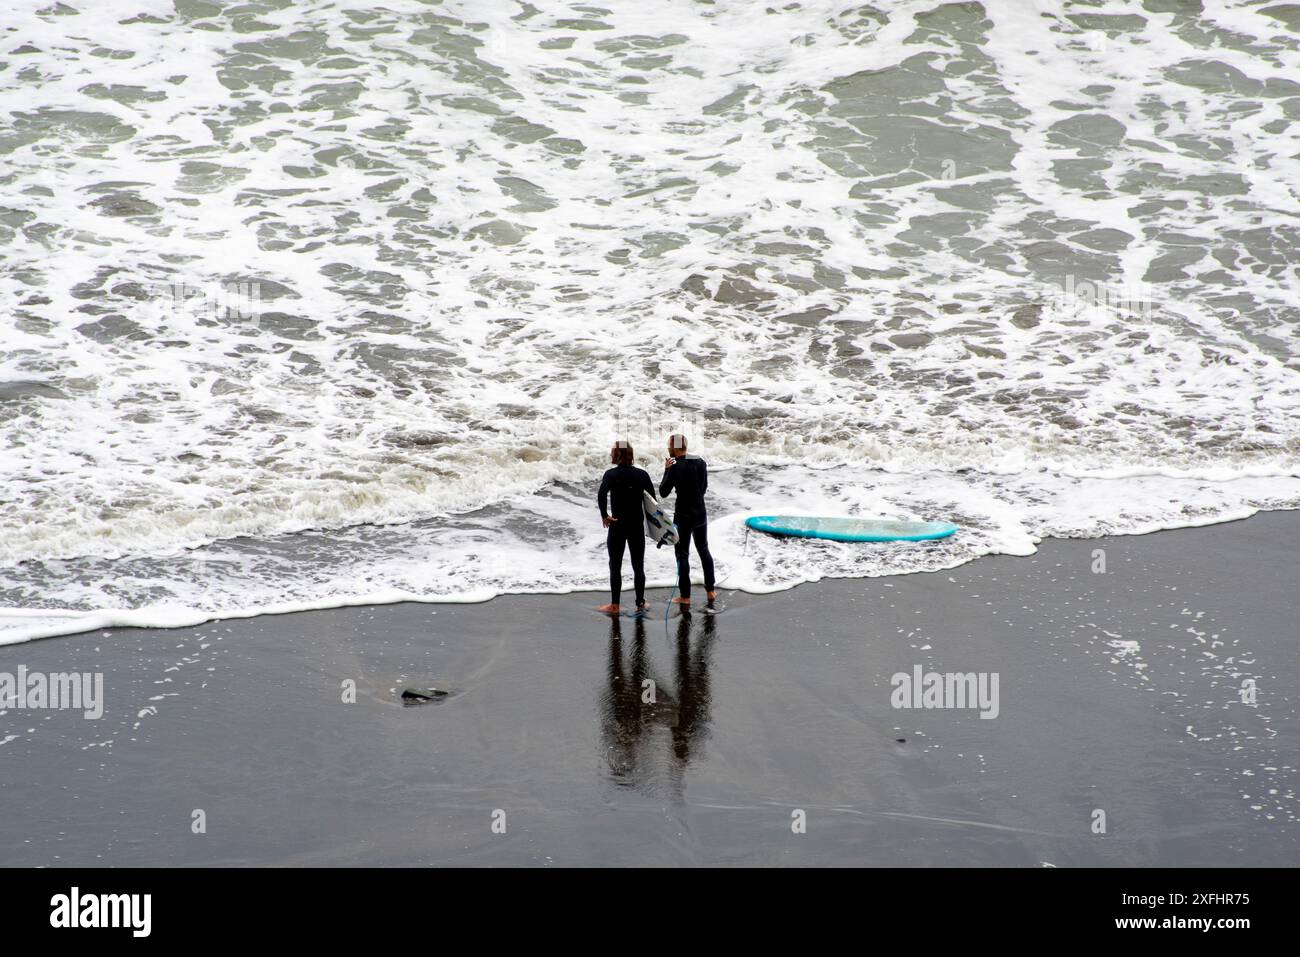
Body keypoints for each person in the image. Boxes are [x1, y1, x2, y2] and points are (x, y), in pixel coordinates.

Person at [596, 441, 655, 615]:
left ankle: (615, 605)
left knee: (615, 565)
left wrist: (604, 515)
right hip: (636, 525)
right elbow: (653, 500)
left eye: (612, 451)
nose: (610, 454)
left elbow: (601, 494)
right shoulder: (642, 475)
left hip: (617, 525)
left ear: (618, 455)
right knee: (638, 566)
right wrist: (652, 524)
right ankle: (640, 603)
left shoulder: (611, 475)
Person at [659, 433, 716, 606]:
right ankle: (711, 590)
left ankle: (685, 596)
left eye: (669, 445)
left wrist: (667, 469)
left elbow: (663, 492)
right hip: (700, 513)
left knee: (682, 554)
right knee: (703, 550)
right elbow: (703, 488)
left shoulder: (674, 465)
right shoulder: (700, 462)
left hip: (683, 516)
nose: (668, 448)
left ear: (674, 447)